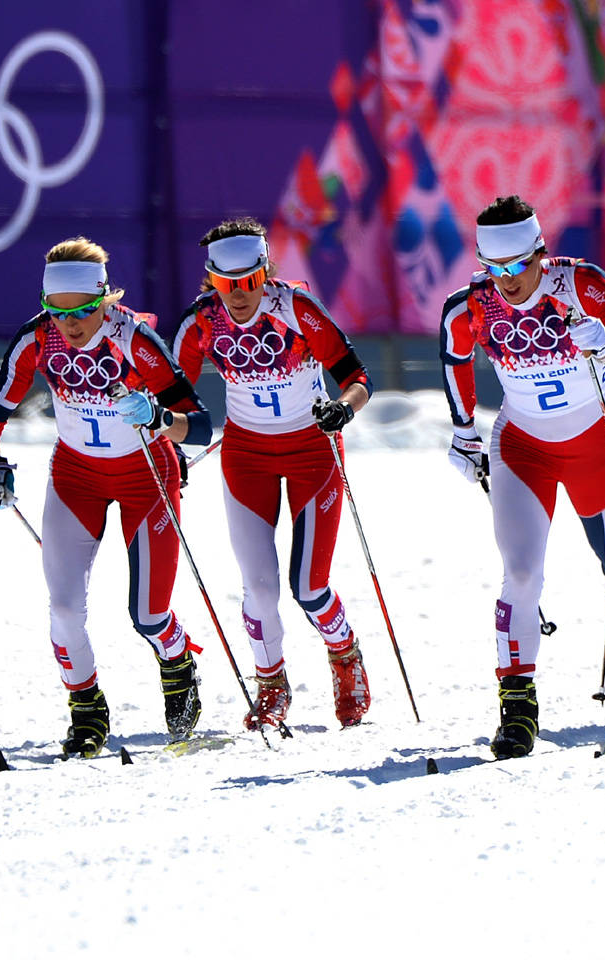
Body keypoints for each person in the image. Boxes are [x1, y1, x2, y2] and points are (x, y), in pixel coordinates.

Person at [0, 237, 213, 757]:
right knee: (63, 608)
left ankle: (177, 663)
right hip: (76, 479)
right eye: (57, 313)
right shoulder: (38, 339)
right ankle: (86, 711)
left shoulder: (135, 340)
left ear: (103, 299)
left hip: (147, 478)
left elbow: (200, 425)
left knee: (149, 615)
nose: (69, 325)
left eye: (82, 312)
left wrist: (157, 418)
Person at [441, 195, 605, 759]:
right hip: (523, 446)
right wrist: (463, 428)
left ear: (540, 252)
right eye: (495, 269)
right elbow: (453, 354)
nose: (508, 282)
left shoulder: (581, 285)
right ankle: (517, 707)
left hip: (595, 442)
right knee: (520, 573)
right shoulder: (473, 305)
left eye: (518, 267)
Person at [172, 217, 374, 730]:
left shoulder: (297, 309)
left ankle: (344, 653)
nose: (238, 295)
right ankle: (271, 686)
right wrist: (167, 443)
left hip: (313, 452)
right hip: (247, 457)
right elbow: (172, 402)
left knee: (310, 586)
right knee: (258, 588)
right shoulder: (200, 323)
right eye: (225, 284)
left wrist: (343, 409)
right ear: (211, 280)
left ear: (265, 272)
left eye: (249, 282)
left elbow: (356, 378)